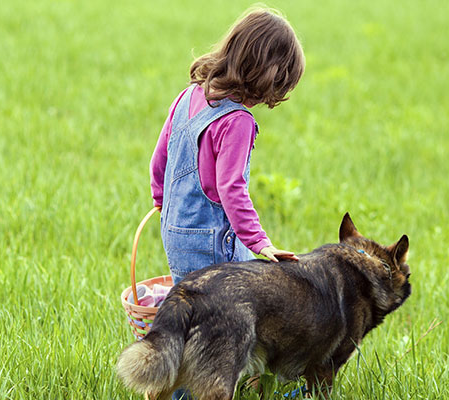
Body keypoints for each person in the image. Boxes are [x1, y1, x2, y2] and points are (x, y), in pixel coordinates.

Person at [148, 8, 304, 398]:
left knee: (189, 312)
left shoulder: (188, 97)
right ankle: (197, 387)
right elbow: (232, 189)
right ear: (267, 74)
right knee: (220, 324)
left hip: (176, 232)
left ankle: (178, 384)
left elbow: (160, 158)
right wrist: (260, 244)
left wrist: (161, 202)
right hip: (212, 242)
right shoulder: (236, 122)